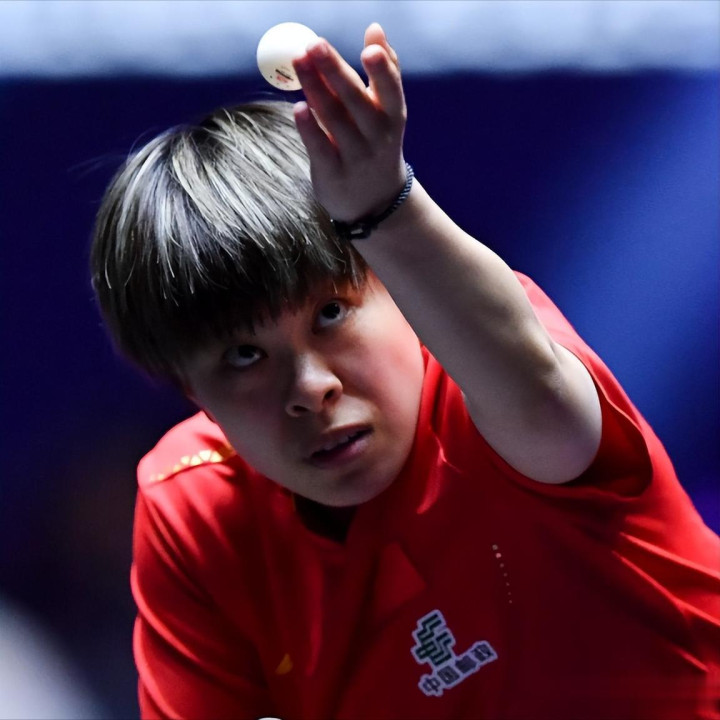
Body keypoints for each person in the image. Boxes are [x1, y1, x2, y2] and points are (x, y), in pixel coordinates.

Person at [90, 22, 720, 720]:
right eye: (243, 356)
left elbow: (546, 409)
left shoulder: (490, 365)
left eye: (331, 313)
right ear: (192, 391)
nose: (311, 388)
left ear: (398, 288)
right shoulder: (196, 506)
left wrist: (382, 209)